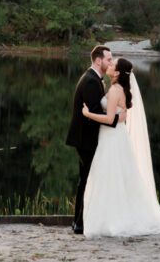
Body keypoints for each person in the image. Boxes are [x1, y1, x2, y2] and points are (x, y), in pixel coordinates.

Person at [80, 57, 160, 238]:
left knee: (110, 176)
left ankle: (111, 220)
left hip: (112, 139)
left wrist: (88, 114)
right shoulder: (117, 88)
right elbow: (119, 115)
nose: (110, 64)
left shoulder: (115, 90)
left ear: (116, 73)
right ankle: (111, 217)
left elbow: (109, 120)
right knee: (115, 177)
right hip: (114, 137)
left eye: (113, 64)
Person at [65, 44, 117, 235]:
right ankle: (80, 223)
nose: (111, 62)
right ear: (98, 60)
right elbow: (93, 113)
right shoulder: (91, 81)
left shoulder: (95, 79)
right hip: (85, 140)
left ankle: (78, 222)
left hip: (85, 139)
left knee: (85, 180)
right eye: (108, 59)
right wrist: (117, 121)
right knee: (87, 180)